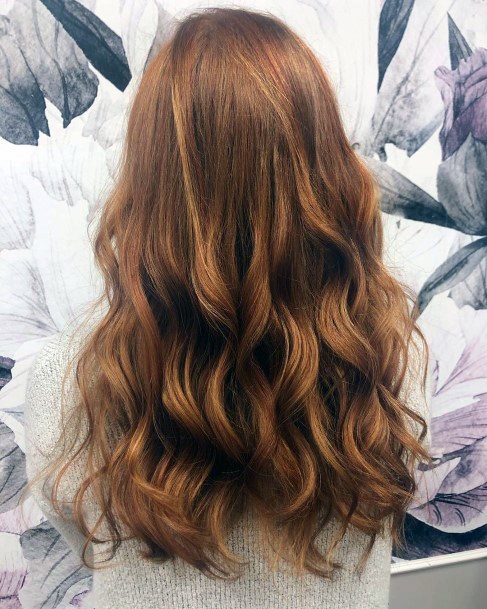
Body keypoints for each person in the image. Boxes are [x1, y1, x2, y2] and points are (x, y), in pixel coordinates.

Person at [23, 6, 433, 609]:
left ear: (149, 180)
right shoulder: (391, 366)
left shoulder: (70, 383)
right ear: (325, 170)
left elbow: (77, 520)